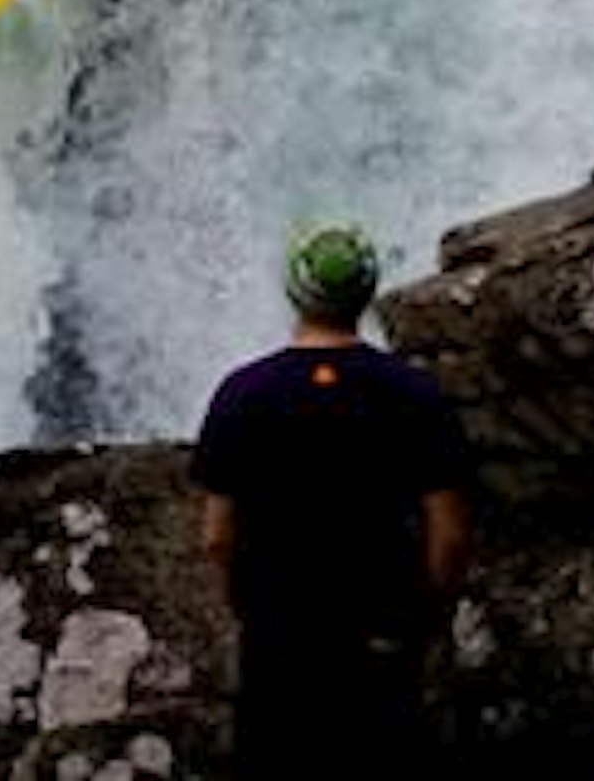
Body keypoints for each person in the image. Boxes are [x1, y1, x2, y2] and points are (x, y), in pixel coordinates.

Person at [190, 224, 473, 781]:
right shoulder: (416, 392)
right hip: (382, 632)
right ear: (367, 292)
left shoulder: (242, 392)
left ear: (294, 291)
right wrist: (426, 620)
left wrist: (246, 610)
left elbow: (217, 537)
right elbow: (451, 535)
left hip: (279, 634)